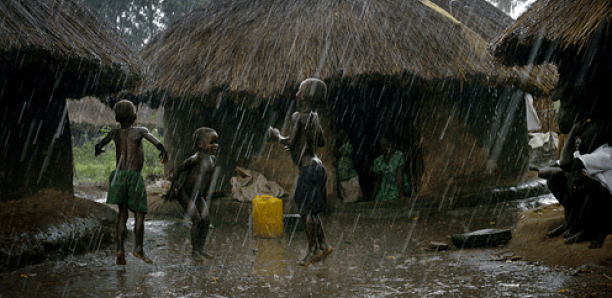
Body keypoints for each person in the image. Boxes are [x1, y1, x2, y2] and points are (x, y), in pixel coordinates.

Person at [268, 78, 333, 266]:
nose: (296, 93)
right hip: (319, 168)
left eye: (299, 90)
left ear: (303, 96)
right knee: (313, 211)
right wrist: (300, 143)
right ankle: (324, 245)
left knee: (305, 211)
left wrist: (276, 135)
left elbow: (287, 140)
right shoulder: (315, 116)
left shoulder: (298, 116)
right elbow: (320, 141)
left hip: (307, 170)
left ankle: (312, 251)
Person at [95, 100, 168, 265]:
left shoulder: (114, 133)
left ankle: (120, 249)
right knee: (139, 214)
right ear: (135, 116)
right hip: (134, 176)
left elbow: (98, 144)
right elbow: (158, 143)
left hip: (118, 176)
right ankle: (138, 248)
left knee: (122, 214)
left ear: (117, 117)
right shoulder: (140, 131)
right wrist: (164, 152)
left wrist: (99, 150)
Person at [539, 118, 612, 245]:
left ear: (595, 139)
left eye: (582, 137)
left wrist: (572, 131)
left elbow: (565, 163)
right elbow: (544, 172)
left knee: (585, 183)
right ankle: (575, 222)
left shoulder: (605, 154)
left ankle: (592, 230)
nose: (579, 141)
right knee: (555, 180)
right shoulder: (583, 154)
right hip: (602, 207)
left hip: (609, 209)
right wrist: (570, 171)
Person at [166, 127, 219, 260]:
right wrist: (173, 189)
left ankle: (201, 248)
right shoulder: (195, 158)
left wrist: (206, 192)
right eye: (212, 142)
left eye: (216, 142)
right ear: (200, 145)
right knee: (197, 218)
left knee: (206, 220)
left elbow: (207, 178)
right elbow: (178, 170)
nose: (216, 145)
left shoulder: (212, 159)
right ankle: (194, 251)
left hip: (198, 195)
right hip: (185, 194)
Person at [372, 137, 409, 201]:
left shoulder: (398, 156)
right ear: (380, 149)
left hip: (396, 189)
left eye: (387, 145)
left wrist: (402, 195)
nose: (387, 148)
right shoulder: (379, 161)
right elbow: (378, 180)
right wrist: (373, 197)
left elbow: (399, 176)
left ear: (391, 144)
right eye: (383, 146)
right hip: (384, 191)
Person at [335, 128, 363, 203]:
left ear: (347, 136)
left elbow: (343, 153)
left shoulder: (348, 146)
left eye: (343, 135)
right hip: (342, 179)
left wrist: (335, 152)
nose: (341, 137)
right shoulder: (339, 148)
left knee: (355, 195)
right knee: (347, 199)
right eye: (340, 135)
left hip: (351, 177)